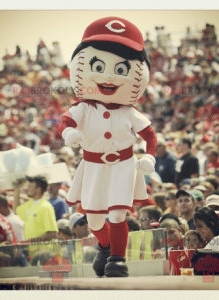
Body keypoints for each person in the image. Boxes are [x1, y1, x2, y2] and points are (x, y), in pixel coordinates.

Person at [58, 17, 157, 277]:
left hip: (123, 165)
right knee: (94, 221)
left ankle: (117, 259)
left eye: (121, 68)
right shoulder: (85, 107)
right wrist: (68, 131)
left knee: (117, 215)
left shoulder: (129, 111)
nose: (109, 75)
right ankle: (104, 247)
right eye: (99, 66)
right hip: (92, 166)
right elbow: (65, 121)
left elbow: (150, 136)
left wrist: (150, 156)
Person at [13, 176, 58, 241]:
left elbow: (52, 233)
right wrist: (17, 189)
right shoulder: (30, 203)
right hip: (32, 250)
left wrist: (29, 242)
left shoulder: (46, 207)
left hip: (44, 250)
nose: (27, 189)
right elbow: (16, 210)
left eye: (30, 186)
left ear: (38, 189)